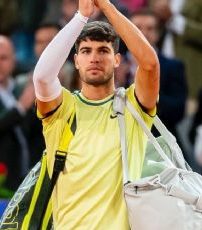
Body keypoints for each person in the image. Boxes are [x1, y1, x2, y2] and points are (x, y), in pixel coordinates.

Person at [33, 0, 159, 228]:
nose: (94, 58)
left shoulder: (133, 106)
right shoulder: (62, 109)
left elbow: (149, 65)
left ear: (117, 60)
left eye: (103, 50)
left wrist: (107, 7)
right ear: (76, 61)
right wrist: (81, 17)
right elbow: (42, 77)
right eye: (86, 51)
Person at [121, 9, 187, 145]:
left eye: (150, 28)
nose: (143, 33)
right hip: (121, 142)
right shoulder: (113, 65)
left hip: (160, 145)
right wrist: (117, 82)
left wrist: (146, 82)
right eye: (137, 28)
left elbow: (178, 112)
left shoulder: (173, 66)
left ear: (157, 34)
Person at [0, 35, 35, 191]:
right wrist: (20, 108)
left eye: (3, 58)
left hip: (26, 175)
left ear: (13, 60)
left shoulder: (19, 88)